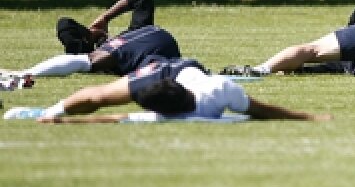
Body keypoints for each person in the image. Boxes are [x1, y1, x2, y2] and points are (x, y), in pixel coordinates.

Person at [5, 57, 328, 123]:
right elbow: (94, 101)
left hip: (176, 74)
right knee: (99, 95)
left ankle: (50, 110)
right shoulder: (219, 90)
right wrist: (308, 117)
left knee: (100, 98)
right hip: (171, 70)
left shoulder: (215, 90)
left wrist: (56, 120)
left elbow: (113, 119)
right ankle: (53, 106)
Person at [18, 0, 181, 78]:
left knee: (65, 25)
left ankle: (24, 73)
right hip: (151, 53)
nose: (91, 28)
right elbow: (81, 61)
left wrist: (105, 18)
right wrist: (25, 73)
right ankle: (24, 73)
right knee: (85, 58)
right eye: (88, 33)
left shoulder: (135, 32)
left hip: (149, 44)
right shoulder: (110, 53)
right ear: (87, 42)